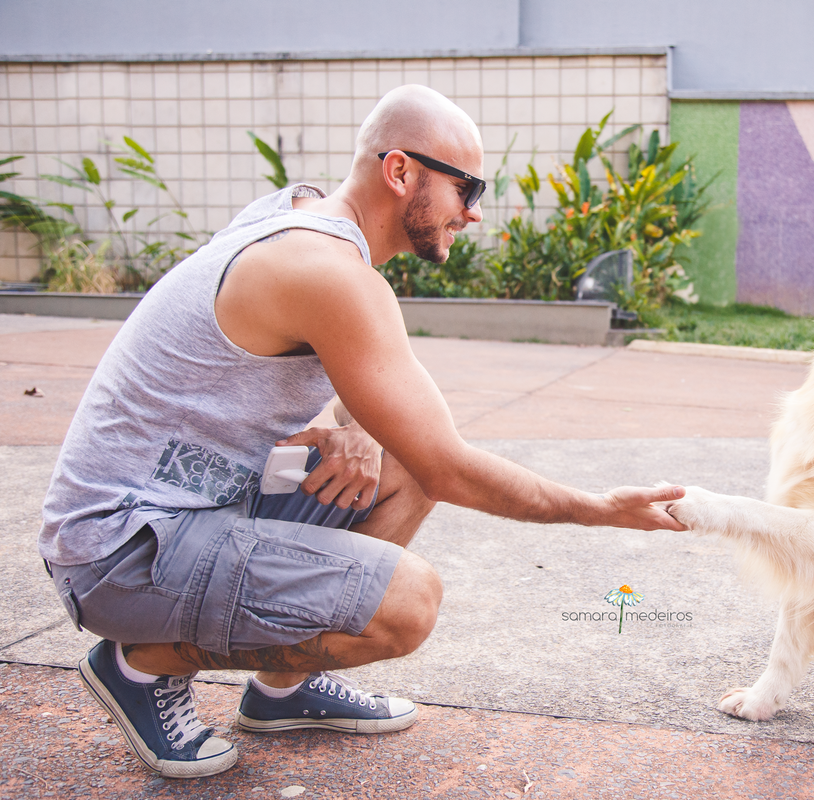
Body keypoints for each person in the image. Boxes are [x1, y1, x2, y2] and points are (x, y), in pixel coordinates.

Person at [39, 85, 686, 779]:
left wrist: (350, 425)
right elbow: (450, 467)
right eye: (465, 188)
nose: (472, 213)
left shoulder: (297, 212)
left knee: (395, 462)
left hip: (187, 505)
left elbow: (301, 370)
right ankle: (139, 665)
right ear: (400, 172)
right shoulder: (331, 274)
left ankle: (283, 691)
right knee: (404, 606)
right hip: (120, 548)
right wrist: (599, 509)